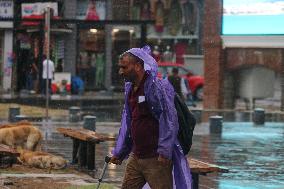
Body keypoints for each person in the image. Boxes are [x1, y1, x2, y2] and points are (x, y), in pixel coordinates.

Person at [110, 45, 192, 189]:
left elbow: (168, 119)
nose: (120, 72)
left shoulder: (155, 88)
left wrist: (164, 150)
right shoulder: (130, 89)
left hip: (155, 159)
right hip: (136, 156)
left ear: (137, 66)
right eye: (120, 67)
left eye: (124, 67)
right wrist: (121, 152)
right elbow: (130, 122)